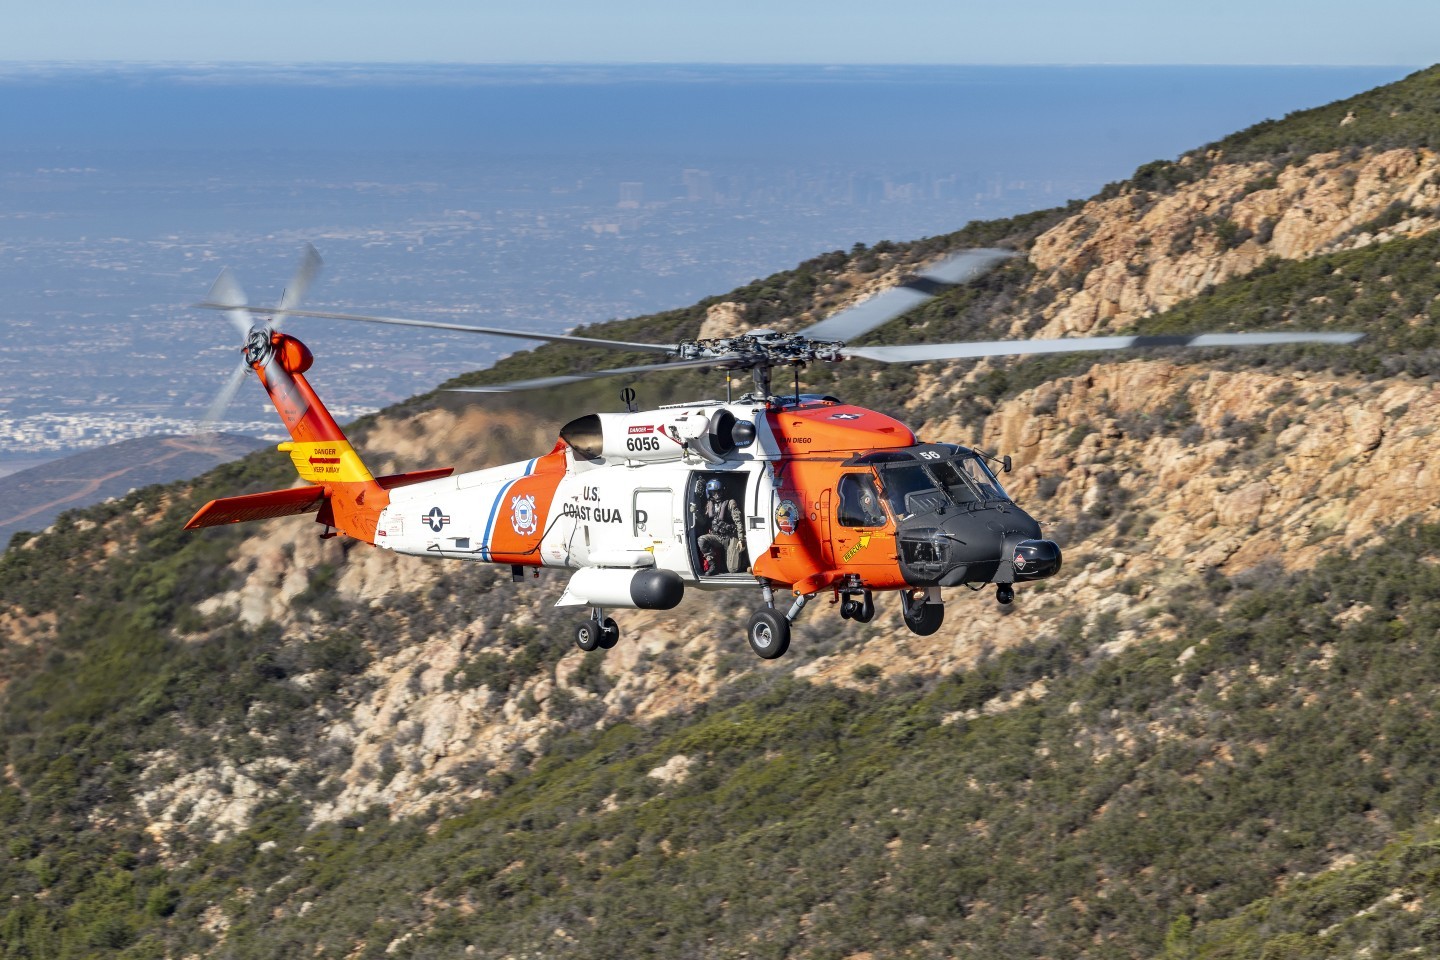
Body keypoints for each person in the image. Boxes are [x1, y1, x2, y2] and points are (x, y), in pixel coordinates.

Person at [696, 478, 745, 574]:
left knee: (733, 570)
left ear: (723, 491)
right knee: (702, 540)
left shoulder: (730, 503)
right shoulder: (709, 505)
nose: (716, 494)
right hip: (717, 537)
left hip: (731, 536)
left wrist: (741, 539)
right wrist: (696, 513)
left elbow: (738, 522)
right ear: (709, 493)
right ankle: (713, 565)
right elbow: (703, 522)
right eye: (713, 492)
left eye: (719, 491)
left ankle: (744, 562)